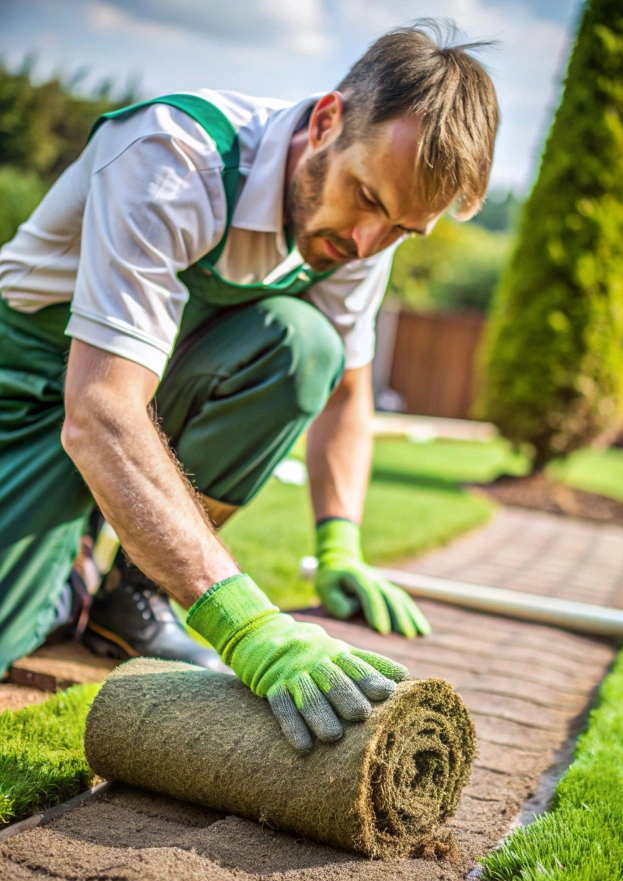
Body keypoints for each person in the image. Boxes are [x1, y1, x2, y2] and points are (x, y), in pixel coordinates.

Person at [0, 23, 499, 749]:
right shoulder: (173, 158)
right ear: (326, 120)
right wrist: (248, 626)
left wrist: (340, 546)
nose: (366, 244)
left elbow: (345, 393)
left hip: (133, 398)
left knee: (303, 346)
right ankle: (72, 557)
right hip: (31, 395)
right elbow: (100, 410)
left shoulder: (366, 231)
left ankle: (132, 597)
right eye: (365, 198)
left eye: (400, 229)